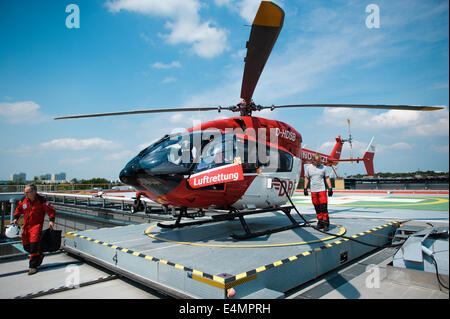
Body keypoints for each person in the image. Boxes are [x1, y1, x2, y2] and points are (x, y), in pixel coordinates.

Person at [12, 184, 56, 275]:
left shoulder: (42, 200)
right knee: (26, 246)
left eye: (27, 192)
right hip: (26, 227)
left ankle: (33, 267)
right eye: (25, 192)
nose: (26, 194)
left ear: (34, 192)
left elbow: (51, 210)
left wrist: (51, 220)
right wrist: (15, 218)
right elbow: (18, 209)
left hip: (36, 226)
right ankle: (39, 254)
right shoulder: (23, 200)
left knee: (33, 246)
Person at [304, 154, 333, 231]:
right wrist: (305, 188)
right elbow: (306, 178)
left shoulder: (324, 168)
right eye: (318, 161)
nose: (319, 162)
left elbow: (327, 178)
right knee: (317, 207)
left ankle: (326, 223)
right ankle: (320, 223)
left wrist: (330, 188)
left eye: (320, 160)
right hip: (313, 191)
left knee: (324, 207)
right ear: (313, 160)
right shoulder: (308, 168)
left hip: (322, 190)